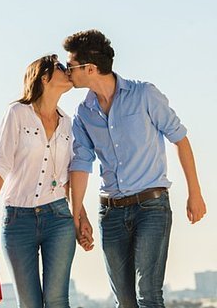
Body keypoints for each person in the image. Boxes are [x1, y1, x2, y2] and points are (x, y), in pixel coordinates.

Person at [63, 29, 207, 308]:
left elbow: (181, 139)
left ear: (90, 68)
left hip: (151, 208)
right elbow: (81, 164)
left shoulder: (144, 95)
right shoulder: (83, 113)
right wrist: (77, 214)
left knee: (148, 296)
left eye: (71, 67)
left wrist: (195, 193)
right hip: (111, 213)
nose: (67, 72)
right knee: (126, 302)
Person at [0, 54, 79, 308]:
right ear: (44, 77)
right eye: (60, 67)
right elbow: (1, 162)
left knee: (57, 300)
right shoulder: (17, 113)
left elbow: (67, 177)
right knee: (30, 303)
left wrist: (80, 216)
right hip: (17, 221)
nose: (67, 71)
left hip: (58, 218)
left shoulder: (68, 124)